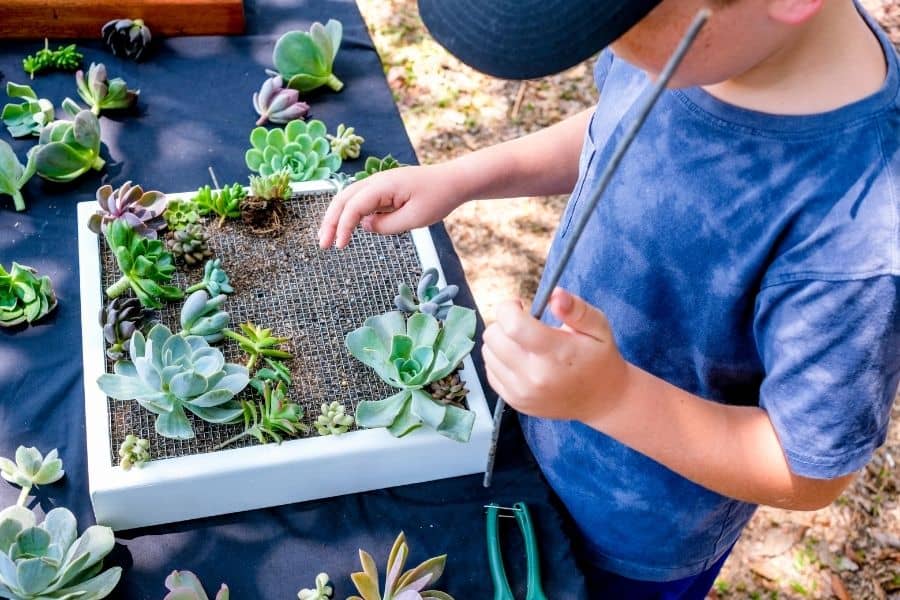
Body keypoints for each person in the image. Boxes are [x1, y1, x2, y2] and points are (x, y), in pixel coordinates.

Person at [318, 0, 900, 596]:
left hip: (632, 538)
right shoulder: (702, 43)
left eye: (624, 29)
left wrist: (611, 398)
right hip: (544, 437)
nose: (612, 52)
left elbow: (808, 471)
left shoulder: (857, 239)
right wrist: (464, 178)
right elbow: (619, 126)